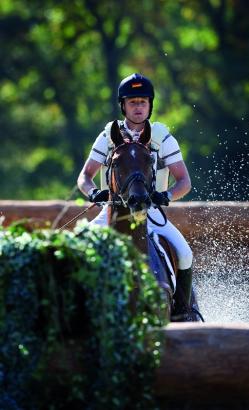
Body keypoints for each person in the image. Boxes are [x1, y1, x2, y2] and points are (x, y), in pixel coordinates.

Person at [77, 73, 195, 321]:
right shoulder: (108, 135)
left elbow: (184, 181)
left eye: (142, 102)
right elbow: (84, 176)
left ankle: (184, 313)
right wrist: (93, 193)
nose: (138, 107)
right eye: (133, 102)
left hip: (150, 211)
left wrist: (167, 195)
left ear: (150, 105)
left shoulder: (162, 136)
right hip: (111, 210)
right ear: (123, 105)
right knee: (76, 245)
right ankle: (72, 311)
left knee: (184, 253)